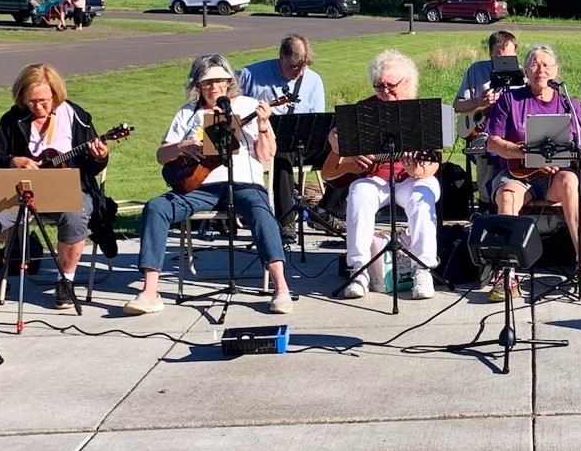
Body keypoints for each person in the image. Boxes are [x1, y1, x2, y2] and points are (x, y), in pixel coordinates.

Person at [126, 55, 294, 316]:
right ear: (197, 86)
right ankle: (150, 292)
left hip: (244, 184)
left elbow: (265, 156)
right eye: (206, 84)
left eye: (219, 82)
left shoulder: (247, 105)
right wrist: (183, 146)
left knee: (261, 211)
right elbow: (162, 156)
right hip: (198, 188)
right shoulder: (188, 113)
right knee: (156, 207)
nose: (214, 88)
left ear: (229, 83)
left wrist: (262, 126)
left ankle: (281, 288)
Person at [0, 65, 110, 320]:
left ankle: (65, 282)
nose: (38, 107)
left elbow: (92, 167)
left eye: (44, 101)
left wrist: (101, 156)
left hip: (67, 191)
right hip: (21, 193)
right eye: (32, 101)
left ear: (56, 94)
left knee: (75, 213)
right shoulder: (12, 119)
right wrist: (13, 160)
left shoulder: (76, 116)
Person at [482, 46, 581, 301]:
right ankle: (507, 273)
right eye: (535, 65)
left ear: (556, 70)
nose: (541, 70)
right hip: (517, 176)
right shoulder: (510, 100)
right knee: (506, 196)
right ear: (525, 71)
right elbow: (491, 143)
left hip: (553, 179)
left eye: (547, 65)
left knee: (571, 180)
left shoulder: (569, 104)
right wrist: (524, 154)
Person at [324, 51, 443, 301]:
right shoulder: (364, 109)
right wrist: (337, 145)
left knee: (424, 193)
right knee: (358, 193)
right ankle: (359, 270)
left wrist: (415, 169)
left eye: (391, 85)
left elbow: (430, 167)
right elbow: (334, 148)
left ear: (408, 82)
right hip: (375, 179)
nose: (384, 91)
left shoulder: (422, 113)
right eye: (379, 86)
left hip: (410, 179)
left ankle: (423, 270)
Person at [237, 34, 327, 225]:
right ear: (281, 57)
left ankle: (327, 211)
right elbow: (230, 106)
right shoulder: (249, 75)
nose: (300, 73)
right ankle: (286, 224)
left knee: (348, 149)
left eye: (304, 67)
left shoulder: (313, 80)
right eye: (294, 67)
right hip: (265, 144)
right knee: (282, 155)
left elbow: (318, 122)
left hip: (305, 143)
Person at [454, 30, 520, 194]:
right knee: (485, 152)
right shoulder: (476, 70)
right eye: (498, 57)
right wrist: (480, 102)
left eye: (508, 57)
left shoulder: (523, 74)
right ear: (490, 53)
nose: (503, 61)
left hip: (514, 132)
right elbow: (457, 105)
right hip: (482, 131)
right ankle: (485, 202)